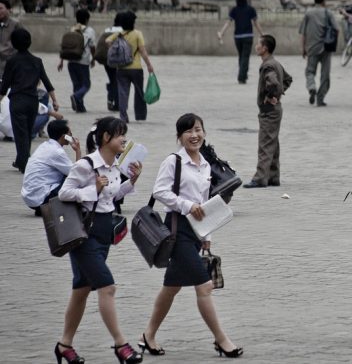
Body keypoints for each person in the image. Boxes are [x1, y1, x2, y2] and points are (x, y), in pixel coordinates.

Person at [141, 113, 243, 359]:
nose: (194, 135)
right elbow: (160, 191)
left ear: (204, 133)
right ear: (180, 136)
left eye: (198, 130)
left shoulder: (206, 165)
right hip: (177, 229)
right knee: (204, 286)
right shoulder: (173, 161)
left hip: (195, 232)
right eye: (188, 131)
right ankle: (222, 340)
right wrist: (186, 205)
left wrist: (207, 235)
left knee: (172, 287)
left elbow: (204, 204)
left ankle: (148, 335)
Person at [56, 116, 143, 364]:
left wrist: (132, 181)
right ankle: (120, 345)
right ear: (106, 138)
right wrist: (91, 189)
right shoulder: (86, 166)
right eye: (120, 136)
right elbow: (64, 193)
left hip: (104, 234)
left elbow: (111, 198)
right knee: (107, 287)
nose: (124, 140)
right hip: (84, 236)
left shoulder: (115, 166)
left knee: (81, 290)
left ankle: (64, 345)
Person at [0, 28, 59, 174]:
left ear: (13, 43)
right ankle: (21, 160)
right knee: (26, 132)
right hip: (32, 101)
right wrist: (55, 100)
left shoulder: (11, 61)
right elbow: (46, 81)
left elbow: (4, 85)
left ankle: (25, 162)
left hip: (17, 101)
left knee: (20, 134)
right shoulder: (37, 61)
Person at [242, 35, 292, 189]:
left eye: (258, 44)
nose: (256, 46)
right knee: (272, 143)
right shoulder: (275, 63)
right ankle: (273, 176)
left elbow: (274, 83)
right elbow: (288, 79)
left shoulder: (267, 66)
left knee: (265, 143)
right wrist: (278, 94)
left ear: (264, 48)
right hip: (275, 110)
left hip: (269, 111)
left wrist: (272, 96)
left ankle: (260, 178)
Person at [21, 119, 80, 216]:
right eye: (70, 134)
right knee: (74, 180)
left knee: (66, 175)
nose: (72, 136)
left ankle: (45, 208)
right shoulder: (57, 152)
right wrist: (78, 151)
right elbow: (77, 173)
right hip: (40, 198)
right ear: (64, 136)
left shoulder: (45, 145)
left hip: (30, 197)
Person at [106, 11, 155, 123]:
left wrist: (116, 49)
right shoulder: (137, 34)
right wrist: (149, 65)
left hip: (121, 68)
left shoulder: (119, 34)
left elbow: (107, 40)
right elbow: (142, 51)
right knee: (139, 92)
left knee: (123, 92)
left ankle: (123, 116)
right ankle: (140, 115)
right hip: (136, 68)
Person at [299, 0, 337, 107]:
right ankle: (320, 99)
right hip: (326, 47)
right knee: (325, 75)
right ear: (324, 1)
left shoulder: (308, 13)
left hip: (312, 47)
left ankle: (311, 87)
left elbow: (303, 33)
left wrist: (303, 49)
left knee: (310, 71)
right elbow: (336, 29)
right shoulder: (328, 13)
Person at [217, 0, 264, 85]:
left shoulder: (234, 10)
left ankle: (243, 74)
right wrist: (262, 34)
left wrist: (221, 33)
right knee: (245, 57)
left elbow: (228, 23)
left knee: (241, 56)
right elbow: (256, 23)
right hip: (248, 36)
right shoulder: (251, 9)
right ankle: (241, 77)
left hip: (237, 37)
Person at [57, 8, 96, 113]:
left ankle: (80, 107)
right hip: (83, 62)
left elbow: (65, 46)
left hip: (71, 61)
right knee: (86, 85)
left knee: (77, 84)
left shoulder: (72, 29)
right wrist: (93, 59)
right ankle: (76, 96)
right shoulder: (90, 31)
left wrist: (61, 61)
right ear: (87, 19)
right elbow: (92, 47)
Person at [102, 13, 123, 112]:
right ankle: (117, 103)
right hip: (118, 61)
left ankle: (110, 99)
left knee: (112, 80)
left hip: (107, 61)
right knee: (118, 81)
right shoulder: (123, 32)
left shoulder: (107, 30)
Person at [0, 0, 22, 78]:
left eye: (1, 8)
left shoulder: (15, 25)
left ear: (8, 9)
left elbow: (22, 43)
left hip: (10, 64)